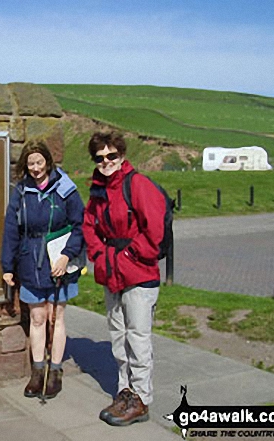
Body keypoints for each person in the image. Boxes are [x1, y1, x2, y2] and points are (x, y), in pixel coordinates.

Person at [82, 132, 166, 426]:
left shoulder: (138, 185)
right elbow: (89, 226)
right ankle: (124, 391)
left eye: (111, 156)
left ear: (121, 156)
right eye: (100, 158)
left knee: (138, 337)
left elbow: (153, 231)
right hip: (112, 273)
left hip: (139, 273)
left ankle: (140, 399)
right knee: (118, 336)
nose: (106, 162)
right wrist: (101, 256)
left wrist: (126, 257)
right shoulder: (98, 191)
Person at [1, 141, 84, 399]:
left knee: (56, 317)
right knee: (37, 318)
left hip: (60, 260)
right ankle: (37, 373)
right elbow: (11, 229)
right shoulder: (21, 191)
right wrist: (7, 265)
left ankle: (55, 372)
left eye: (39, 162)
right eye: (31, 164)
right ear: (25, 165)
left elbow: (80, 225)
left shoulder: (66, 189)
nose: (36, 168)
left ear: (48, 161)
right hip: (30, 261)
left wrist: (66, 255)